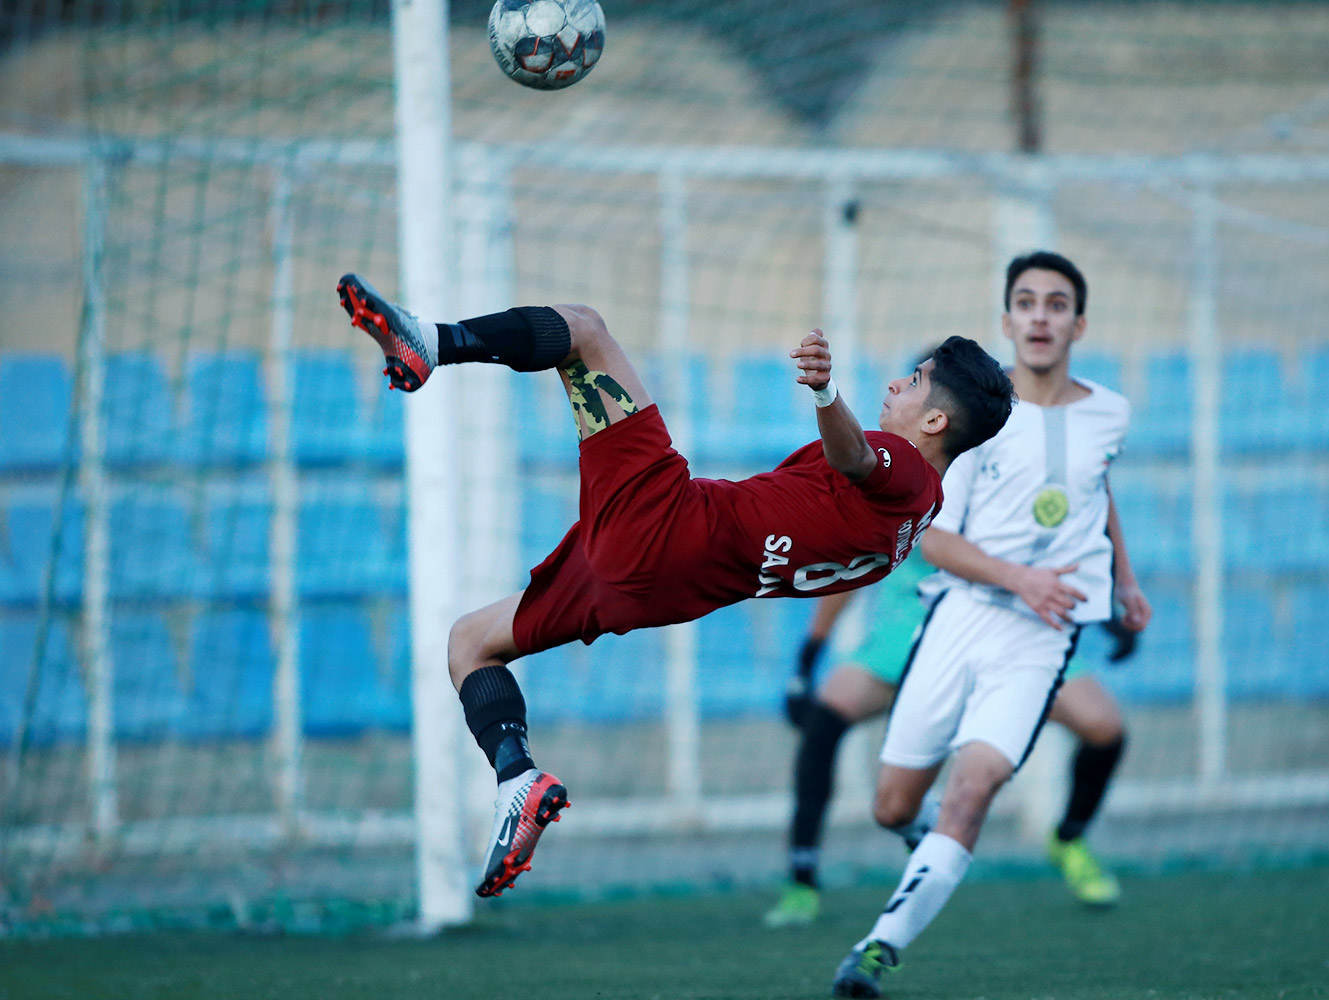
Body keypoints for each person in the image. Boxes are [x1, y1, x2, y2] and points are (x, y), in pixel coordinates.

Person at [335, 273, 1015, 899]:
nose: (897, 383)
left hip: (667, 526)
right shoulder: (919, 516)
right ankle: (517, 778)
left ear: (935, 423)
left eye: (917, 379)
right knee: (471, 641)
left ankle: (430, 343)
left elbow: (857, 456)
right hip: (651, 590)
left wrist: (824, 393)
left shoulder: (900, 466)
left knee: (586, 333)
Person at [829, 251, 1152, 998]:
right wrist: (1018, 578)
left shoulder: (1111, 411)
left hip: (1040, 639)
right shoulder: (981, 416)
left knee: (973, 790)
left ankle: (877, 950)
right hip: (960, 618)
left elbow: (1096, 496)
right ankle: (927, 848)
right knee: (891, 806)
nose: (1042, 315)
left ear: (1079, 322)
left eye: (1057, 303)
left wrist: (1125, 581)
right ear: (1008, 322)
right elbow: (928, 535)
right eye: (1028, 302)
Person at [763, 582, 1138, 928]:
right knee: (825, 719)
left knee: (1105, 727)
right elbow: (854, 567)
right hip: (906, 639)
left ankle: (1069, 838)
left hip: (1013, 638)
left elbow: (1068, 549)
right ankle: (802, 876)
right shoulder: (903, 511)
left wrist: (1106, 614)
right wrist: (809, 654)